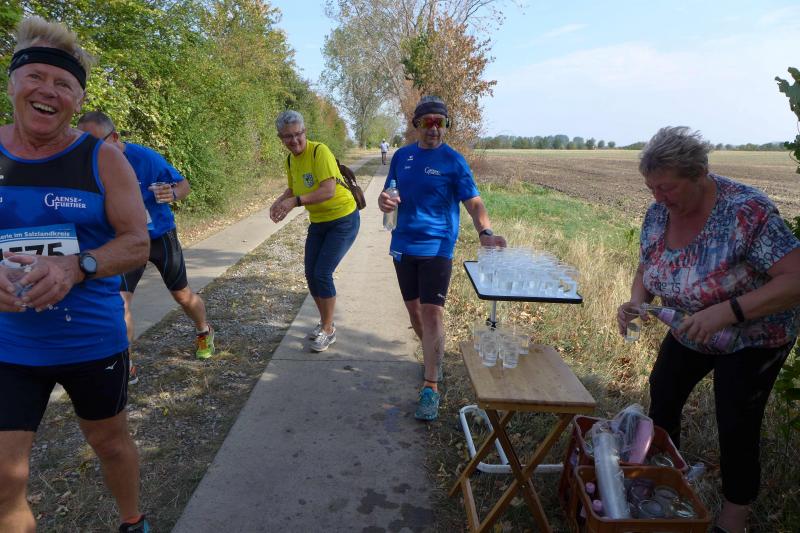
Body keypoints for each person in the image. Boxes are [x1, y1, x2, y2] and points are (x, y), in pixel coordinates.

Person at [0, 17, 152, 532]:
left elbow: (137, 242)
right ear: (13, 84)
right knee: (4, 476)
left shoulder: (102, 159)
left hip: (90, 339)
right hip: (10, 345)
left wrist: (77, 266)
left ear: (78, 99)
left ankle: (133, 520)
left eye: (63, 83)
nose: (48, 90)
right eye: (35, 76)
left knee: (110, 443)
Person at [616, 127, 800, 533]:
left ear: (700, 174)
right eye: (651, 188)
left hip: (754, 336)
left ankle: (733, 519)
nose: (658, 198)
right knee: (664, 392)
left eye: (667, 187)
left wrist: (728, 312)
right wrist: (636, 301)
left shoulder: (746, 212)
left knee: (736, 420)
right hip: (691, 327)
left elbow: (795, 278)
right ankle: (663, 478)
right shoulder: (658, 213)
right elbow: (647, 265)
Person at [378, 96, 506, 421]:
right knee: (414, 312)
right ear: (416, 125)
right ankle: (433, 356)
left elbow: (474, 203)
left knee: (432, 313)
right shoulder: (402, 157)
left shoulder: (454, 161)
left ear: (446, 125)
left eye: (440, 122)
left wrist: (486, 232)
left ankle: (430, 386)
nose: (434, 128)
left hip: (437, 247)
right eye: (428, 122)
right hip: (403, 245)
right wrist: (384, 202)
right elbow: (389, 193)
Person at [77, 111, 215, 384]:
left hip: (159, 236)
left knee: (182, 296)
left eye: (94, 144)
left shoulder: (144, 158)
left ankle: (203, 330)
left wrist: (172, 193)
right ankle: (126, 363)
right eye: (83, 144)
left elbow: (183, 185)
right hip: (126, 240)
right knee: (120, 302)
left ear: (114, 137)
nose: (88, 151)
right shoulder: (87, 166)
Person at [270, 110, 360, 352]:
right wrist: (279, 201)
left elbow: (328, 190)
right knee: (311, 274)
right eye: (288, 136)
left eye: (298, 134)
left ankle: (328, 330)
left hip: (343, 219)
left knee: (322, 273)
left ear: (305, 132)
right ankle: (325, 323)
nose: (294, 140)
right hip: (319, 222)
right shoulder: (290, 160)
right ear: (281, 138)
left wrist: (295, 202)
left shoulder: (320, 152)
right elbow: (293, 189)